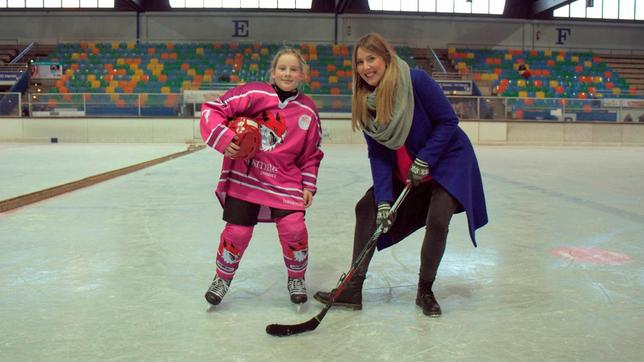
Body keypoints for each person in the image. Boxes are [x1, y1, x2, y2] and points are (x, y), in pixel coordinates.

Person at [314, 33, 488, 316]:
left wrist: (425, 159)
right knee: (367, 208)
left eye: (371, 58)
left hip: (447, 160)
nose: (366, 67)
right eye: (360, 61)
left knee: (438, 218)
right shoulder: (366, 102)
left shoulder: (416, 81)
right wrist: (384, 201)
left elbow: (447, 121)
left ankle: (425, 291)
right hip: (408, 167)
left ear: (386, 57)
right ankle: (352, 287)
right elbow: (380, 156)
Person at [200, 47, 324, 307]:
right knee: (237, 232)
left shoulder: (308, 111)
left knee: (294, 228)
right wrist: (225, 139)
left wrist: (308, 184)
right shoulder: (255, 93)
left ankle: (296, 278)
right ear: (273, 72)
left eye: (293, 69)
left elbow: (311, 154)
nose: (287, 73)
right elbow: (213, 109)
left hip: (286, 180)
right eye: (282, 68)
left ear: (303, 74)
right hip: (247, 175)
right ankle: (221, 279)